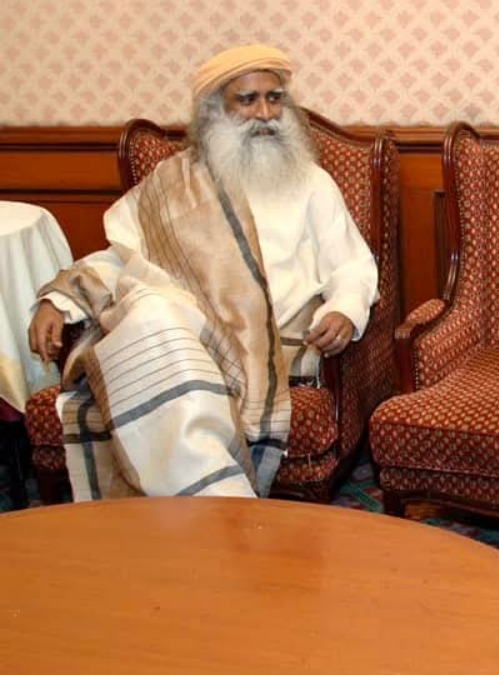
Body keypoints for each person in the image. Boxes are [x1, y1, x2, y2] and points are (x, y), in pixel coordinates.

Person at [27, 44, 378, 501]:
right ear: (214, 110)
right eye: (247, 100)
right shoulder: (173, 182)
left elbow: (352, 264)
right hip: (184, 330)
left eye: (275, 98)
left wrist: (344, 309)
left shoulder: (312, 183)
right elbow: (124, 260)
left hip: (260, 339)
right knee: (153, 313)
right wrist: (59, 301)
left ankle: (199, 505)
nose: (265, 113)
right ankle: (223, 500)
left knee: (157, 331)